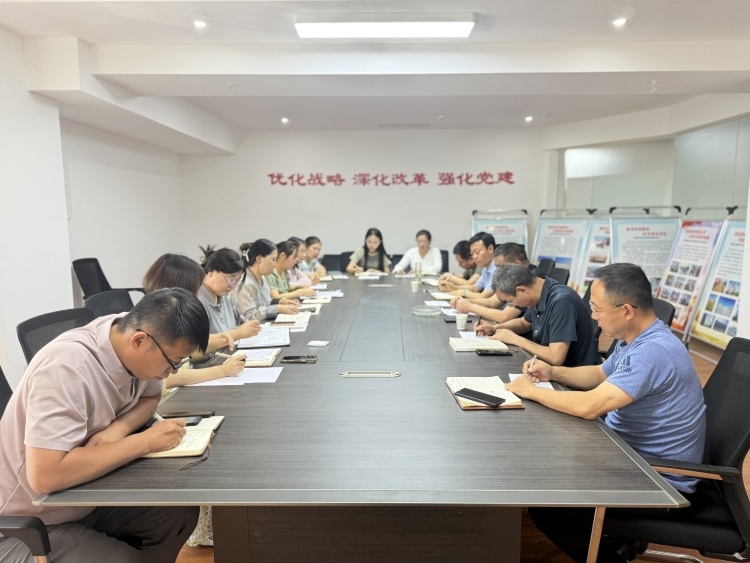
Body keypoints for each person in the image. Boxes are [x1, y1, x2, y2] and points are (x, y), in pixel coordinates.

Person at [506, 263, 706, 563]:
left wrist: (530, 390)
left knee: (550, 509)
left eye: (597, 308)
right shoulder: (636, 339)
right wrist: (552, 373)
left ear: (626, 310)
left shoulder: (652, 351)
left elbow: (591, 406)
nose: (592, 316)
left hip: (656, 478)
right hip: (627, 454)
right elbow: (600, 374)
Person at [0, 288, 207, 562]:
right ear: (139, 341)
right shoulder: (65, 369)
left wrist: (117, 430)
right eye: (172, 363)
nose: (172, 372)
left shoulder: (126, 337)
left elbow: (151, 396)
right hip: (29, 519)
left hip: (85, 494)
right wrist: (143, 442)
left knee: (179, 514)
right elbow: (45, 476)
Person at [142, 253, 247, 388]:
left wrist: (218, 340)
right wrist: (222, 371)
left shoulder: (173, 317)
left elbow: (189, 352)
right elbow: (167, 378)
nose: (197, 297)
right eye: (195, 290)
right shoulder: (156, 324)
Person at [475, 264, 599, 367]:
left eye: (510, 301)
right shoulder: (538, 292)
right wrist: (495, 328)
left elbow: (555, 358)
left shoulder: (561, 302)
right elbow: (524, 323)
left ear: (522, 290)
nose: (513, 305)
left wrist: (515, 339)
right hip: (544, 366)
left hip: (572, 374)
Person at [453, 243, 539, 324]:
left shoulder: (531, 279)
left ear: (517, 264)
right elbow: (491, 302)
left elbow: (504, 316)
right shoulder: (516, 276)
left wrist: (469, 307)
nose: (497, 272)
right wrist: (465, 301)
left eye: (501, 267)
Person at [197, 245, 261, 342]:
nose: (233, 286)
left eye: (237, 281)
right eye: (231, 279)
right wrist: (238, 333)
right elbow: (198, 344)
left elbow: (238, 321)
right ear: (211, 271)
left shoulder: (223, 296)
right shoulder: (197, 300)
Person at [235, 239, 301, 321]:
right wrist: (277, 308)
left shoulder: (262, 277)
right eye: (273, 260)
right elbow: (249, 316)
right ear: (259, 259)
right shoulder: (245, 282)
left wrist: (281, 302)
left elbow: (266, 302)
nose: (275, 264)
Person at [443, 232, 496, 300]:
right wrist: (452, 287)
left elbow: (484, 296)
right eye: (472, 253)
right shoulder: (485, 270)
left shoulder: (497, 269)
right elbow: (475, 288)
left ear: (490, 249)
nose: (474, 257)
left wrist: (462, 292)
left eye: (477, 252)